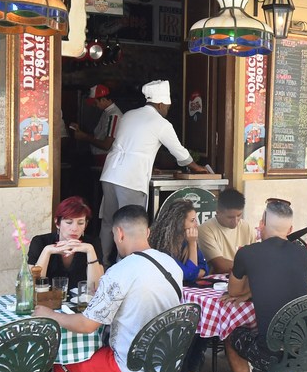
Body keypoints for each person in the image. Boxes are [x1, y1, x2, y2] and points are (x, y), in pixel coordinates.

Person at [34, 205, 185, 372]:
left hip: (132, 368)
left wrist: (51, 315)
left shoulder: (120, 272)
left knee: (65, 364)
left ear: (118, 234)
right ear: (147, 231)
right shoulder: (171, 264)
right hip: (168, 362)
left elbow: (87, 325)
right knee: (113, 348)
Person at [224, 199, 307, 372]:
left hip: (267, 351)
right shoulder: (302, 253)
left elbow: (233, 291)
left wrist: (249, 290)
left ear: (261, 224)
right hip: (304, 349)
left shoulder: (248, 253)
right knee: (294, 333)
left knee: (232, 339)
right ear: (290, 230)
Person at [99, 79, 205, 265]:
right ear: (161, 103)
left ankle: (103, 263)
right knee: (131, 225)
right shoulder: (160, 123)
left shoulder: (129, 115)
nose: (168, 110)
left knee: (109, 221)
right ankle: (124, 268)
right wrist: (195, 167)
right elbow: (179, 151)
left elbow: (134, 143)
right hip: (130, 178)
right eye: (168, 106)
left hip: (111, 173)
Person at [148, 198, 210, 372]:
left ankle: (191, 370)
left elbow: (204, 268)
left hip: (189, 299)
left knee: (204, 329)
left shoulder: (186, 241)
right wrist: (192, 245)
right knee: (189, 330)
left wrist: (193, 254)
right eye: (192, 220)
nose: (196, 224)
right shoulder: (164, 244)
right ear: (178, 222)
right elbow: (190, 273)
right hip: (166, 303)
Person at [28, 196, 103, 292]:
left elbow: (96, 288)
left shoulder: (92, 243)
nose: (75, 228)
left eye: (80, 223)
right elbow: (33, 286)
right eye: (69, 222)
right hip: (47, 301)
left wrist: (90, 251)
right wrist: (47, 251)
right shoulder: (40, 242)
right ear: (57, 223)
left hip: (80, 303)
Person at [197, 187, 255, 274]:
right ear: (218, 212)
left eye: (239, 215)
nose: (235, 221)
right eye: (230, 217)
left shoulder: (246, 227)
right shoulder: (205, 229)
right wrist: (250, 267)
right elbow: (220, 265)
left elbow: (255, 257)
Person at [69, 84, 122, 166]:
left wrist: (84, 137)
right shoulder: (106, 113)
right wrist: (82, 133)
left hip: (106, 159)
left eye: (95, 102)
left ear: (103, 99)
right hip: (100, 158)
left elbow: (106, 145)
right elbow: (98, 136)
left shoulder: (114, 116)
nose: (94, 106)